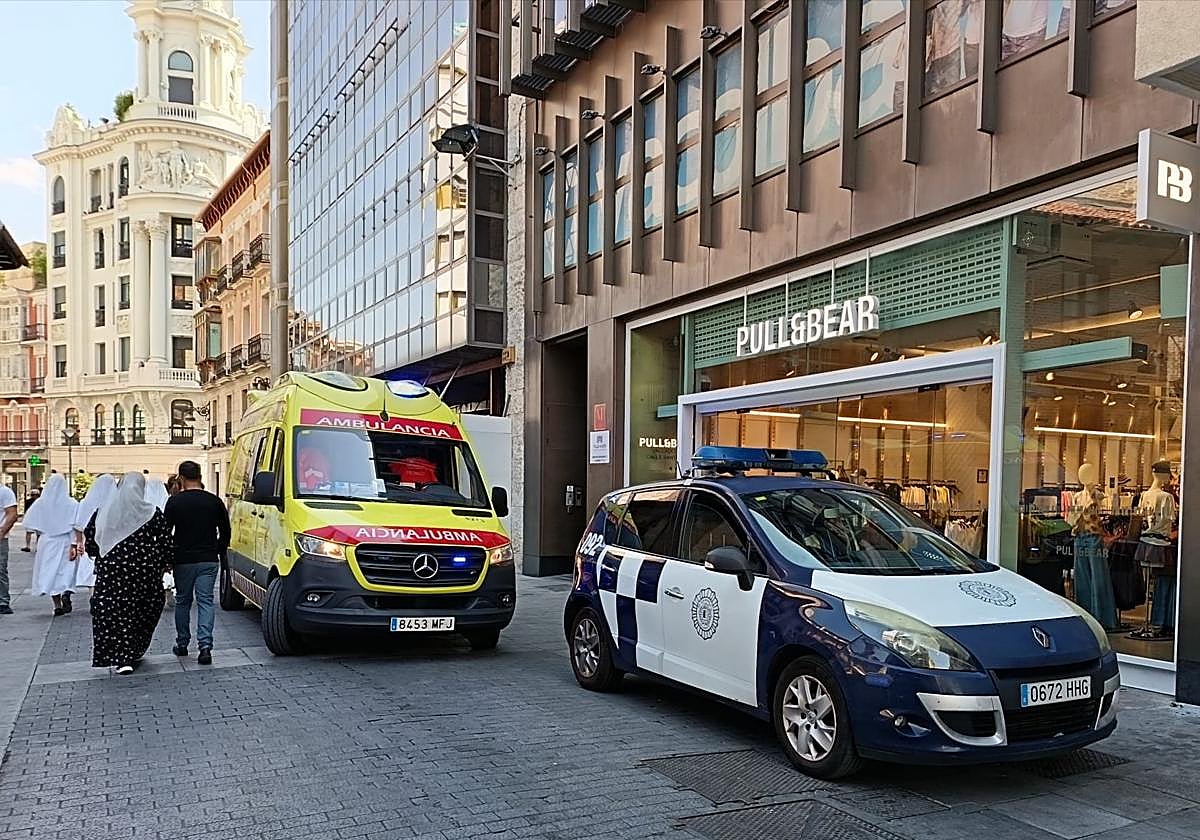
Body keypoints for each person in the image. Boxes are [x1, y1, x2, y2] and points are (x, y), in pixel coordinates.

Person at [84, 472, 174, 675]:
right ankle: (131, 652)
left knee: (115, 612)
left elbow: (91, 541)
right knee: (142, 609)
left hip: (110, 574)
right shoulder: (151, 512)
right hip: (144, 574)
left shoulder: (103, 513)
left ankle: (121, 655)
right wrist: (164, 563)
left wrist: (102, 556)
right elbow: (165, 542)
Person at [163, 460, 230, 665]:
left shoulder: (175, 502)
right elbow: (226, 531)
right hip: (208, 559)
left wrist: (168, 558)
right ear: (200, 477)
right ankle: (205, 647)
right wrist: (216, 550)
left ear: (181, 478)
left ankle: (182, 643)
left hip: (183, 560)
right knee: (205, 602)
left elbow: (166, 533)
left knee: (183, 601)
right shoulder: (214, 501)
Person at [24, 474, 79, 616]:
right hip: (65, 541)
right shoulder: (71, 503)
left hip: (47, 542)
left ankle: (57, 605)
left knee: (51, 572)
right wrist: (74, 544)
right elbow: (76, 525)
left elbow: (30, 524)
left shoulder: (40, 503)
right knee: (65, 571)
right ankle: (66, 591)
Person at [72, 475, 117, 590]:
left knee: (91, 577)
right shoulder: (116, 503)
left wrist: (79, 543)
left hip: (89, 544)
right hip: (111, 544)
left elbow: (78, 525)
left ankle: (93, 600)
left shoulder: (85, 502)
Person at [0, 482, 18, 615]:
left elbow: (12, 514)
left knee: (0, 570)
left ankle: (3, 602)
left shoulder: (5, 492)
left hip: (1, 539)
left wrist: (1, 532)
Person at [22, 487, 40, 552]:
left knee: (31, 533)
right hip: (37, 519)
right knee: (38, 534)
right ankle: (36, 547)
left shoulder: (28, 501)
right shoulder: (41, 501)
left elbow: (26, 511)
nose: (34, 496)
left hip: (32, 518)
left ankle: (28, 546)